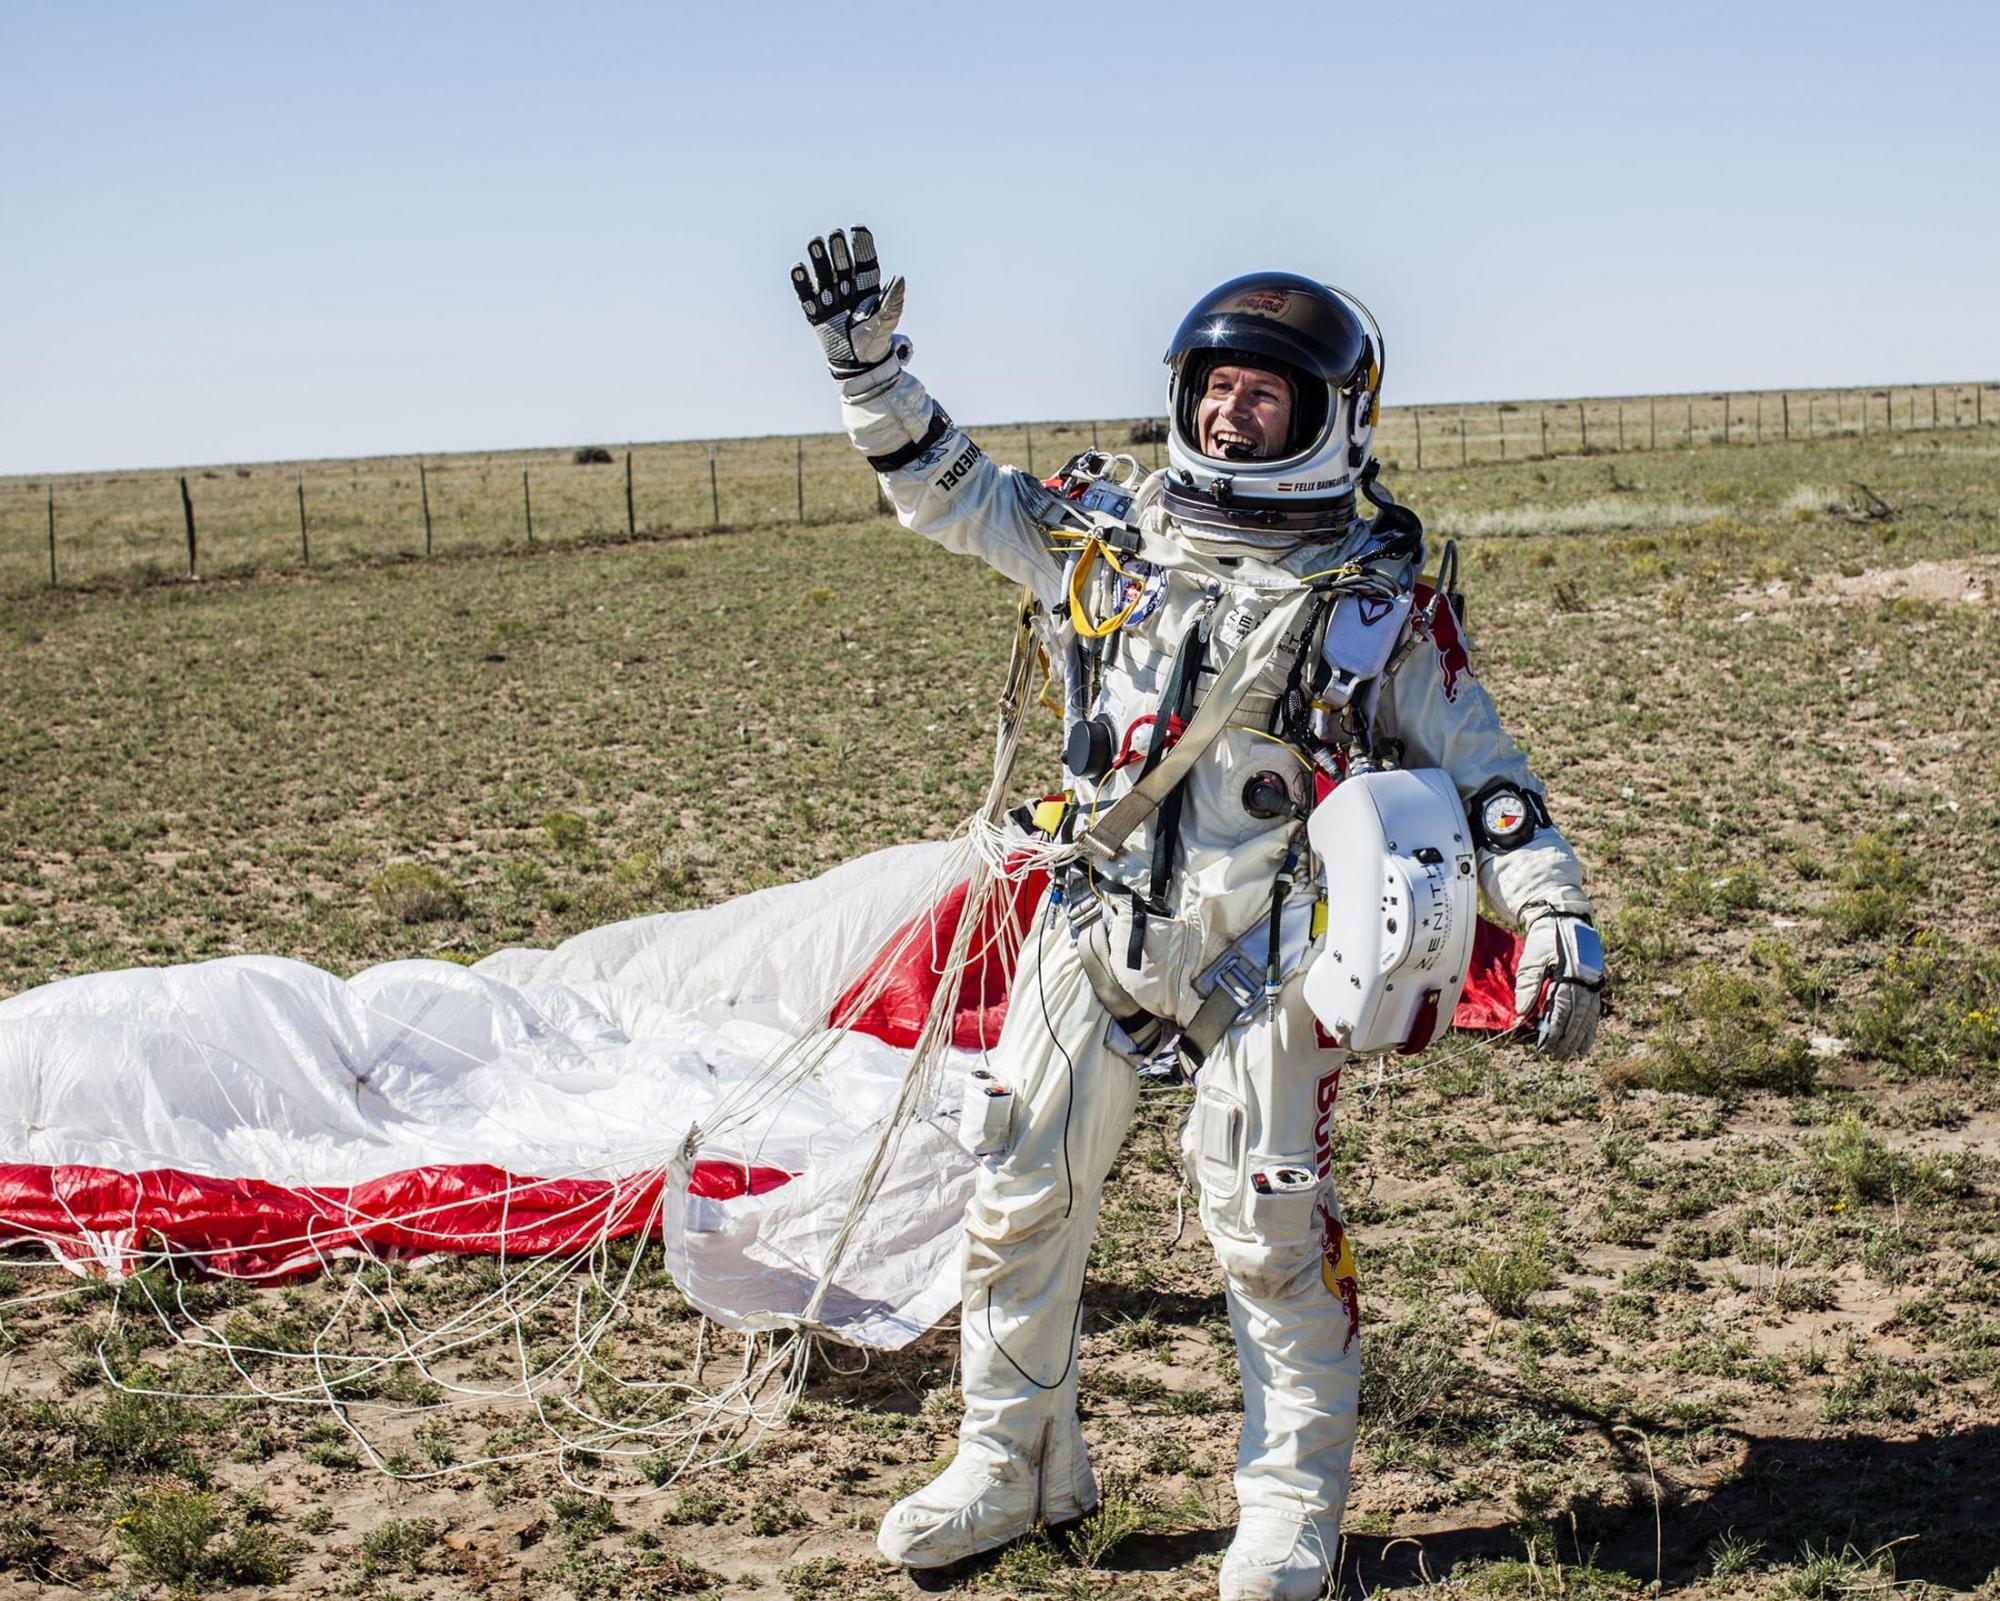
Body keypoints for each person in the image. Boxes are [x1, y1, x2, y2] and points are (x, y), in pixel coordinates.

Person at [789, 227, 1604, 1600]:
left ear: (1328, 416)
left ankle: (1289, 1511)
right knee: (1016, 1194)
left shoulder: (1376, 598)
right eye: (1216, 386)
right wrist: (867, 371)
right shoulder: (1106, 534)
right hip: (1097, 919)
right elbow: (948, 490)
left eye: (1264, 394)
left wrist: (1556, 913)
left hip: (1267, 950)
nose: (1232, 410)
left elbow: (1489, 773)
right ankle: (1014, 1464)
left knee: (1267, 1227)